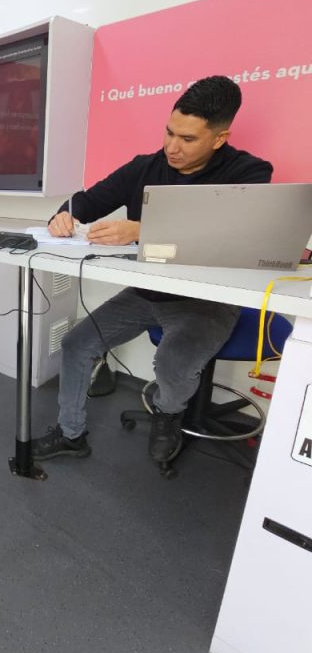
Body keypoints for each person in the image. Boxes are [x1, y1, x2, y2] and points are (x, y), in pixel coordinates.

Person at [33, 75, 272, 466]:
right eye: (169, 132)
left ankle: (168, 414)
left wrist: (142, 231)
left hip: (206, 301)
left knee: (171, 362)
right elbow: (86, 202)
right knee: (77, 344)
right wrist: (63, 216)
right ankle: (71, 434)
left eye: (188, 139)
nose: (172, 147)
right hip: (144, 293)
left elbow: (236, 238)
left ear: (219, 138)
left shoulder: (249, 174)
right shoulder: (145, 167)